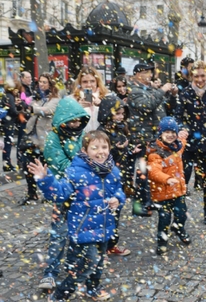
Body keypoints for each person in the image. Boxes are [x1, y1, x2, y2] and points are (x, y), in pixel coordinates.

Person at [29, 130, 126, 301]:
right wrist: (46, 179)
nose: (100, 151)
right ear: (85, 150)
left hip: (104, 225)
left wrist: (118, 199)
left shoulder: (113, 171)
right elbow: (59, 193)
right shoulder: (75, 172)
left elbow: (119, 191)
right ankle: (61, 294)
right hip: (83, 227)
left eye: (104, 147)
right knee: (88, 263)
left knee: (99, 261)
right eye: (94, 148)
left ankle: (93, 289)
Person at [38, 97, 90, 290]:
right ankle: (50, 272)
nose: (76, 124)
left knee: (78, 232)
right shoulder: (53, 138)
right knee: (59, 233)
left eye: (79, 121)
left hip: (81, 192)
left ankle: (72, 268)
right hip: (63, 190)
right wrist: (82, 173)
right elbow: (58, 163)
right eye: (72, 121)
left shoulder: (81, 135)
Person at [175, 60, 206, 225]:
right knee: (184, 178)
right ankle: (179, 215)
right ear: (191, 76)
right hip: (189, 144)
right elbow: (178, 115)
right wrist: (181, 128)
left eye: (203, 75)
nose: (200, 79)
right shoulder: (185, 93)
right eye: (196, 76)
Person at [127, 62, 176, 216]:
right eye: (144, 73)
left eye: (149, 72)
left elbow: (163, 107)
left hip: (153, 137)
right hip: (142, 138)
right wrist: (162, 90)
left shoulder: (150, 89)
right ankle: (137, 206)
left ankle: (149, 201)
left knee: (151, 172)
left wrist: (171, 94)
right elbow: (148, 105)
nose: (148, 76)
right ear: (136, 74)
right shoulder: (134, 91)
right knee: (142, 173)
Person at [97, 94, 138, 256]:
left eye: (122, 113)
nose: (121, 117)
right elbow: (101, 157)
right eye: (117, 113)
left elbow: (124, 154)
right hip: (107, 180)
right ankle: (104, 245)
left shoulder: (121, 128)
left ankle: (110, 244)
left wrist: (130, 150)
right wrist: (117, 149)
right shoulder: (102, 133)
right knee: (107, 213)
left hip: (120, 177)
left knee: (116, 212)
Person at [147, 117, 192, 256]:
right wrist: (167, 179)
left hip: (178, 191)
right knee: (164, 219)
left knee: (181, 214)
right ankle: (162, 242)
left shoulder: (177, 146)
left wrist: (185, 132)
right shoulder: (156, 153)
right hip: (163, 194)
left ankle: (179, 228)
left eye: (173, 132)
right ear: (160, 133)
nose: (170, 135)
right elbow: (154, 172)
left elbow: (183, 141)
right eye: (167, 132)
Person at [18, 73, 60, 205]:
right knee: (28, 165)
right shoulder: (35, 97)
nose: (41, 84)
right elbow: (27, 107)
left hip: (45, 139)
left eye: (44, 82)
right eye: (40, 82)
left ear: (50, 84)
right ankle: (32, 194)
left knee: (47, 167)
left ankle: (49, 193)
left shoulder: (55, 99)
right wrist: (22, 104)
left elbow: (47, 110)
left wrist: (31, 107)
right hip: (32, 137)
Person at [72, 66, 109, 132]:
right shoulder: (72, 99)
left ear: (97, 82)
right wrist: (78, 108)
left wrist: (102, 104)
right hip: (81, 137)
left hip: (102, 137)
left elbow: (113, 116)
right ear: (80, 83)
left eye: (92, 81)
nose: (89, 85)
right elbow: (67, 121)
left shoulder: (106, 96)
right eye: (85, 82)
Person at [1, 79, 26, 171]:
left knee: (7, 142)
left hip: (6, 122)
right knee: (8, 143)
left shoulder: (6, 95)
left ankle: (6, 162)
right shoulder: (10, 96)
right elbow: (13, 111)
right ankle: (6, 163)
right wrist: (22, 111)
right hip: (9, 123)